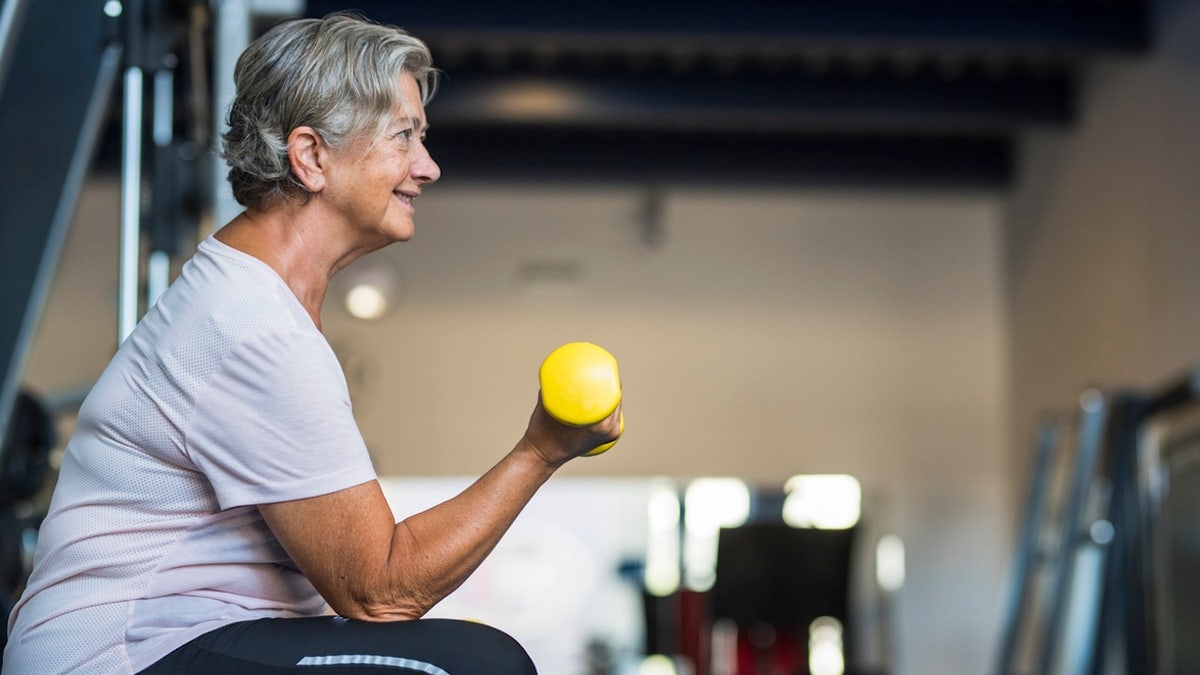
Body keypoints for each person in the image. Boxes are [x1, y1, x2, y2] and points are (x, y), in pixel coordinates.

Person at [3, 11, 621, 674]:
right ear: (311, 156)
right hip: (117, 657)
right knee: (475, 664)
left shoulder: (257, 303)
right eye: (403, 138)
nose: (429, 167)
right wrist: (540, 450)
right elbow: (381, 588)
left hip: (197, 638)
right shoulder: (249, 326)